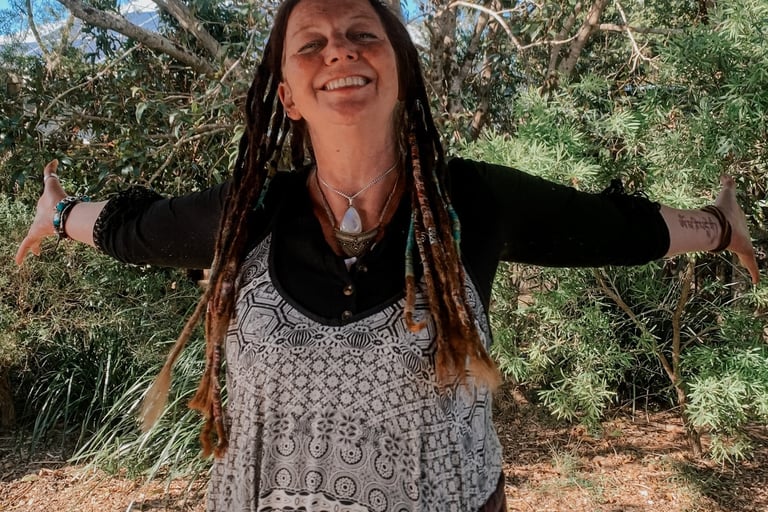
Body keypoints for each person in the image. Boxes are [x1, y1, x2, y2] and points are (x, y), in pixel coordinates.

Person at [15, 0, 760, 510]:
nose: (338, 47)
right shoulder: (251, 213)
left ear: (400, 70)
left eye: (363, 35)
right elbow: (135, 230)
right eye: (311, 42)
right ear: (288, 96)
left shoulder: (472, 204)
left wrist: (720, 227)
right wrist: (58, 213)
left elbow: (614, 227)